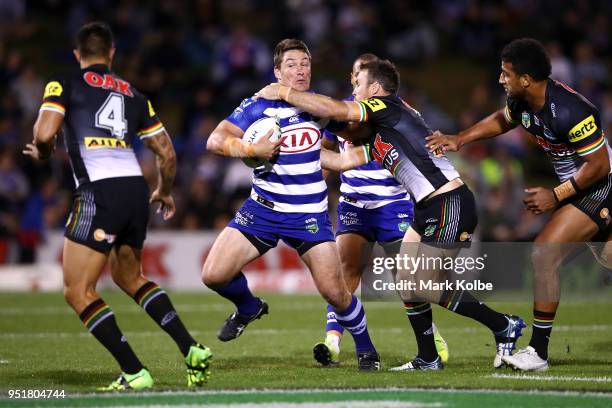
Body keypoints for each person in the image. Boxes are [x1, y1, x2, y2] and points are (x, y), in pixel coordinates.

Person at [256, 58, 525, 371]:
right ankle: (428, 358)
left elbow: (337, 110)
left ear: (374, 89)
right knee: (408, 283)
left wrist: (284, 92)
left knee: (422, 282)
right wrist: (289, 148)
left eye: (358, 85)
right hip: (427, 207)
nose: (353, 90)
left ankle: (503, 325)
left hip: (449, 203)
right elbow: (340, 162)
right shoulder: (385, 131)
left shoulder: (387, 107)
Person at [24, 22, 212, 390]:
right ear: (112, 54)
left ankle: (134, 372)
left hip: (99, 192)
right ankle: (191, 348)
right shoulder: (135, 94)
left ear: (78, 54)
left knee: (78, 291)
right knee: (129, 277)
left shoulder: (63, 83)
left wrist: (43, 151)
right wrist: (165, 190)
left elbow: (45, 133)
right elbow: (167, 153)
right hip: (135, 192)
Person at [425, 38, 612, 371]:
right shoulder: (524, 102)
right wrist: (460, 138)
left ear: (526, 79)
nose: (501, 79)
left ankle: (537, 352)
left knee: (544, 252)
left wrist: (555, 195)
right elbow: (501, 119)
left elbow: (599, 165)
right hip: (583, 188)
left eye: (506, 74)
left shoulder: (570, 110)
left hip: (603, 186)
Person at [204, 39, 381, 370]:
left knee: (336, 293)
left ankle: (367, 348)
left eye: (305, 63)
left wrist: (373, 145)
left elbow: (361, 130)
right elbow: (214, 140)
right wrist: (247, 149)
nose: (301, 70)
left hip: (309, 215)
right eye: (292, 64)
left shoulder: (320, 108)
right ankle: (247, 307)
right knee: (213, 275)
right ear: (276, 72)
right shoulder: (257, 106)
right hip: (263, 210)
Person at [314, 53, 449, 367]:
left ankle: (432, 338)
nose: (354, 79)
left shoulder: (401, 111)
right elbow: (328, 152)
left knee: (406, 279)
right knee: (345, 273)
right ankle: (332, 342)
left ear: (374, 83)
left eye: (359, 75)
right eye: (353, 74)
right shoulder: (342, 113)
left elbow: (425, 145)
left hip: (394, 204)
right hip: (354, 203)